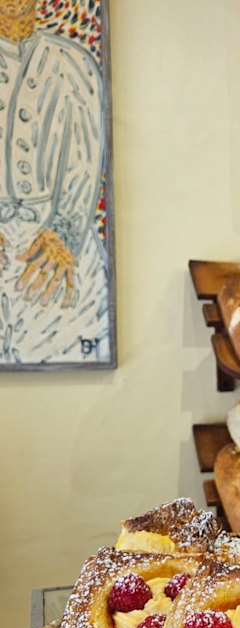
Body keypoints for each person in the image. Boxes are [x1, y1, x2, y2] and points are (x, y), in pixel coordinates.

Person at [0, 0, 112, 366]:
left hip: (56, 243)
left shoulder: (73, 64)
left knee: (63, 340)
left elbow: (85, 162)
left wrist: (62, 233)